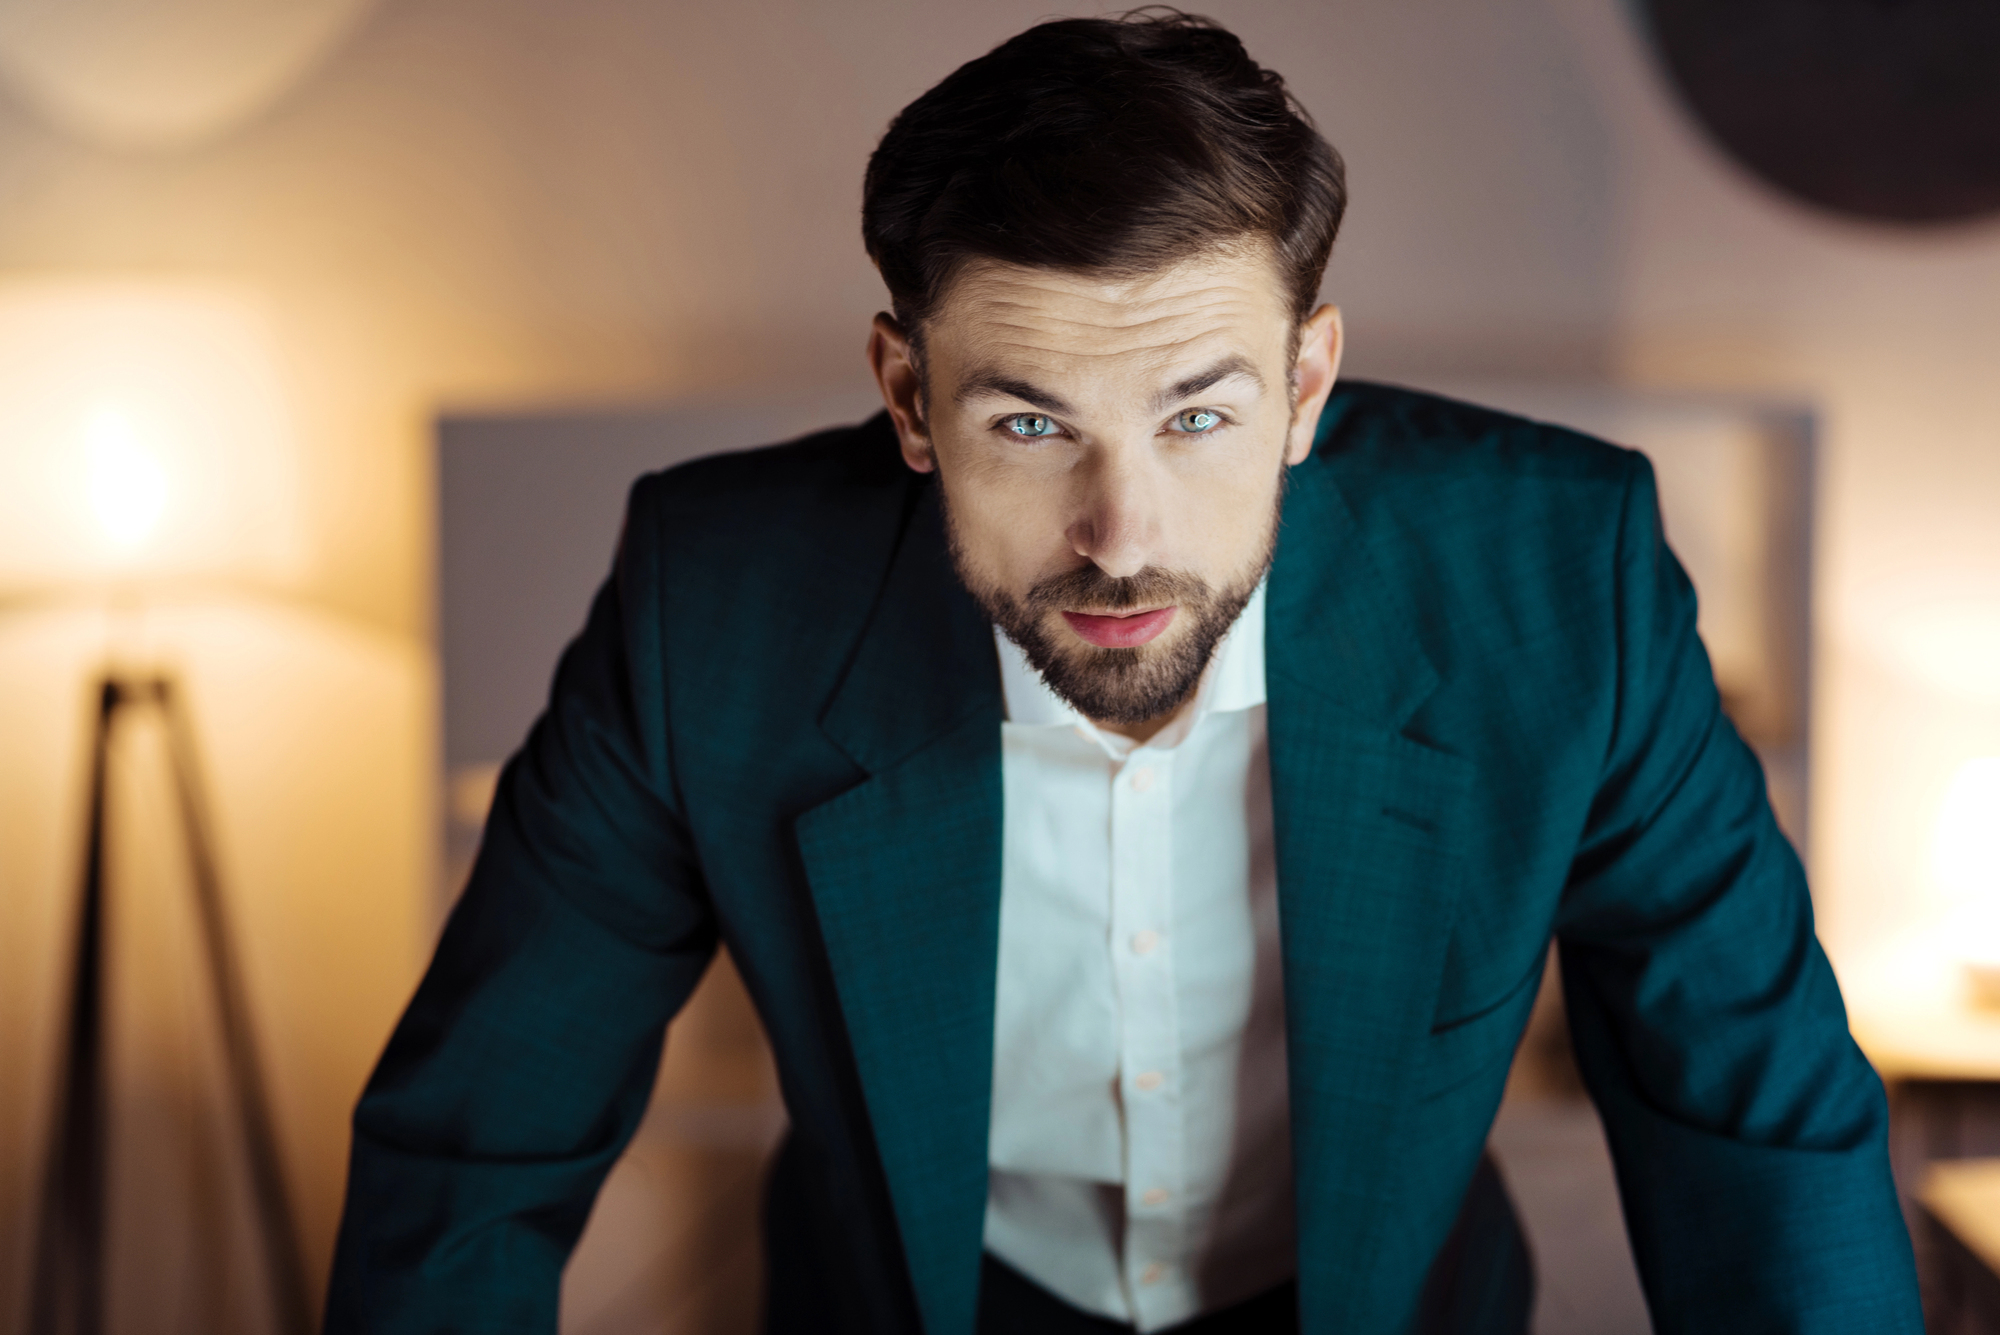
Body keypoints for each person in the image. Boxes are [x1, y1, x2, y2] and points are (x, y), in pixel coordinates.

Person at [325, 11, 1921, 1334]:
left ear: (1306, 385)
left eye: (1197, 415)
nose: (1117, 537)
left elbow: (1757, 1130)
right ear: (907, 395)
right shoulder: (711, 606)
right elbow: (475, 1152)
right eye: (1030, 424)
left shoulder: (1562, 583)